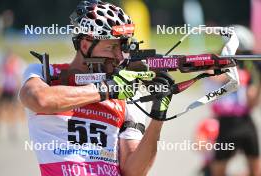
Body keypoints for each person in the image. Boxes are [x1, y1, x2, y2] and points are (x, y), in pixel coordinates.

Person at [19, 1, 174, 176]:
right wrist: (107, 89)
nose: (118, 56)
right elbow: (39, 100)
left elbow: (133, 172)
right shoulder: (45, 73)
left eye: (121, 47)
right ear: (85, 45)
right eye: (111, 47)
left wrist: (158, 115)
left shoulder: (126, 91)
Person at [207, 25, 261, 176]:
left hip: (245, 120)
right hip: (225, 123)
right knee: (218, 169)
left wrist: (257, 84)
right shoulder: (216, 63)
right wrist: (236, 71)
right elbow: (213, 75)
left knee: (255, 167)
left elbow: (252, 102)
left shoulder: (246, 68)